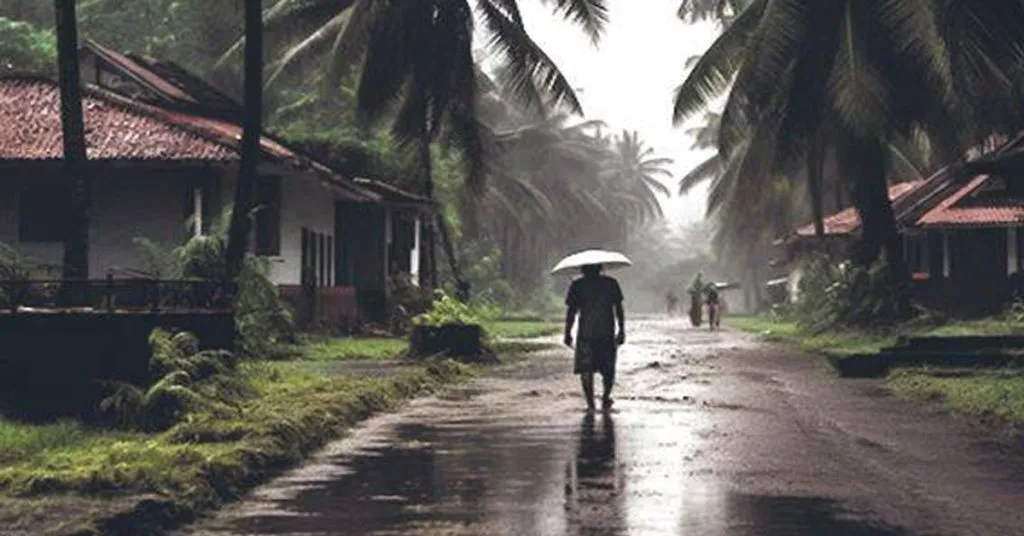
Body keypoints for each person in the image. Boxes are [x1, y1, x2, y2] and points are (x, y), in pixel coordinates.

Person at [564, 264, 625, 412]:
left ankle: (590, 404)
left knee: (586, 369)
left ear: (583, 270)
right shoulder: (611, 283)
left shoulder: (577, 285)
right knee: (608, 369)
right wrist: (622, 330)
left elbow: (571, 311)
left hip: (586, 334)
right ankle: (605, 397)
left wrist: (567, 332)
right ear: (600, 268)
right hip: (606, 333)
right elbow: (618, 309)